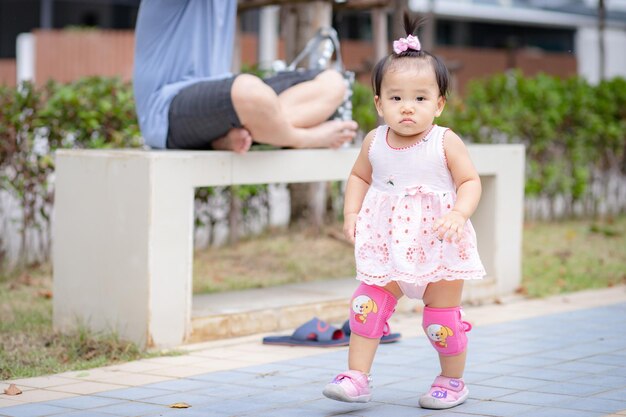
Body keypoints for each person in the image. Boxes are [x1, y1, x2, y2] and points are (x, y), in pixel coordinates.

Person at [322, 13, 485, 410]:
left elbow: (470, 182)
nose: (407, 108)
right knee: (366, 306)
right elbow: (359, 177)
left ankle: (451, 380)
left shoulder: (445, 142)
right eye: (395, 98)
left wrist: (460, 214)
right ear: (379, 103)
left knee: (440, 322)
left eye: (420, 98)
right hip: (387, 245)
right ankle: (357, 377)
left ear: (440, 103)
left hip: (439, 244)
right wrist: (351, 214)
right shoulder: (374, 142)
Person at [133, 0, 357, 153]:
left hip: (225, 105)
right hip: (167, 109)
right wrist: (308, 137)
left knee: (333, 82)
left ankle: (227, 136)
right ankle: (301, 138)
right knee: (250, 93)